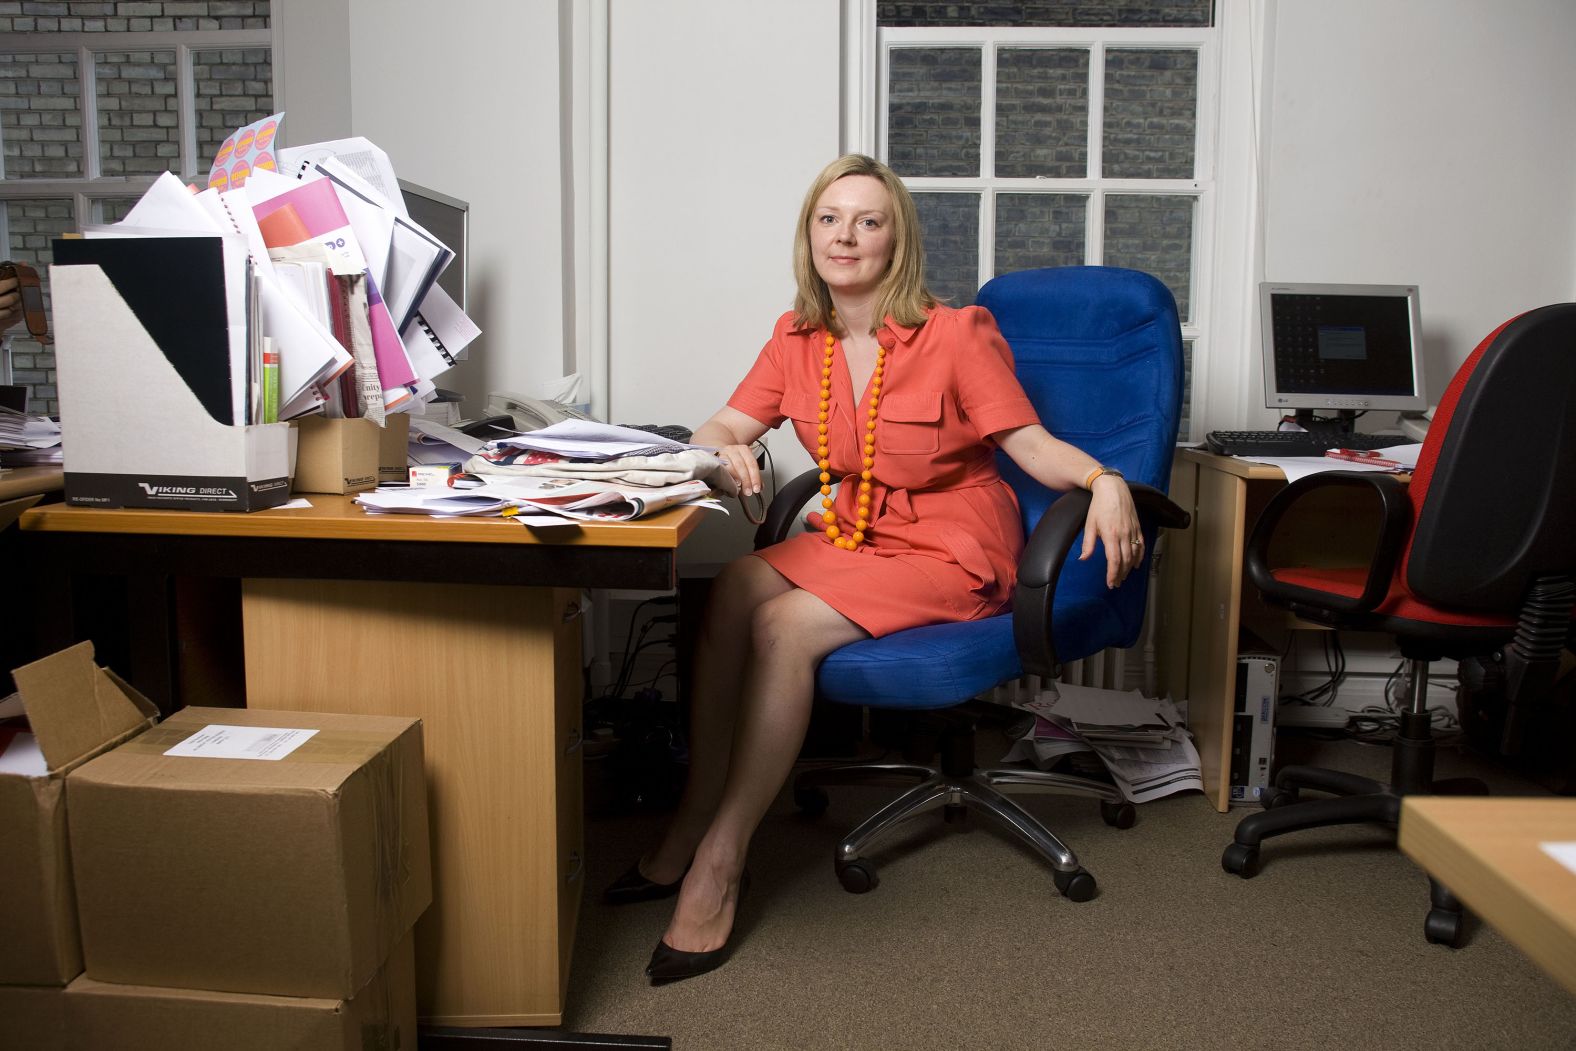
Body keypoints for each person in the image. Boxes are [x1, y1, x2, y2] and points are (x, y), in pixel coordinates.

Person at [607, 154, 1145, 984]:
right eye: (830, 219)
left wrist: (1104, 480)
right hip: (859, 532)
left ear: (898, 238)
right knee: (732, 589)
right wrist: (724, 449)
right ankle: (690, 819)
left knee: (782, 623)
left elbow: (1027, 445)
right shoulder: (795, 339)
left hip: (953, 542)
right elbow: (719, 423)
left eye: (868, 219)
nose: (846, 236)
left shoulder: (957, 333)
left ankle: (720, 858)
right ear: (809, 235)